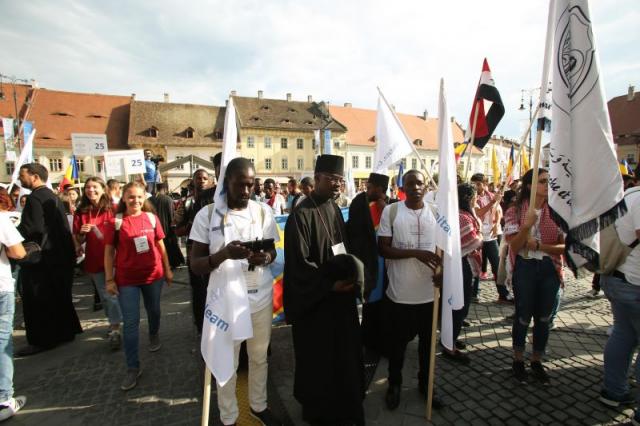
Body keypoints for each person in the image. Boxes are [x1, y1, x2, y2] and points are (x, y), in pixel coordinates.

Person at [189, 157, 282, 426]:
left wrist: (264, 258)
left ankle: (259, 406)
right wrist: (224, 254)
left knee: (259, 356)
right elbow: (195, 265)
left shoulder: (263, 211)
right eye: (240, 185)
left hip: (260, 297)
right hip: (226, 301)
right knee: (227, 362)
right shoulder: (208, 215)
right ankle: (228, 417)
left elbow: (273, 250)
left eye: (250, 185)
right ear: (225, 182)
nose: (245, 191)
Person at [284, 154, 365, 425]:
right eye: (332, 179)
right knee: (318, 361)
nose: (337, 184)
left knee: (343, 355)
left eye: (340, 180)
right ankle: (318, 410)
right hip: (316, 305)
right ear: (317, 178)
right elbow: (299, 265)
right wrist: (330, 285)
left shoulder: (332, 207)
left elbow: (341, 248)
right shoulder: (301, 213)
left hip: (340, 302)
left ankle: (345, 402)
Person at [377, 169, 443, 410]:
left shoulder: (436, 213)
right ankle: (394, 384)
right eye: (411, 183)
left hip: (428, 295)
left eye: (420, 183)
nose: (416, 187)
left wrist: (444, 272)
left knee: (428, 346)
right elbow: (383, 249)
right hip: (399, 295)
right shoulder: (392, 211)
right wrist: (416, 253)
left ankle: (426, 385)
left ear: (426, 187)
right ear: (403, 187)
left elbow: (445, 249)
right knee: (397, 346)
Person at [104, 182, 173, 391]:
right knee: (131, 323)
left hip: (153, 276)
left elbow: (161, 245)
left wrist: (168, 269)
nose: (135, 200)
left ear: (145, 198)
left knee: (154, 310)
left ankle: (154, 333)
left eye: (139, 197)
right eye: (131, 197)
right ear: (123, 198)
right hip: (127, 280)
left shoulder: (151, 218)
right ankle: (132, 367)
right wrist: (109, 279)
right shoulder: (116, 221)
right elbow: (108, 252)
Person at [504, 168, 564, 385]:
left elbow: (563, 246)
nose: (547, 185)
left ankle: (537, 360)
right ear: (530, 186)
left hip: (550, 268)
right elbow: (514, 245)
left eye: (549, 181)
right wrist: (526, 227)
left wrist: (540, 245)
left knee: (544, 318)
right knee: (522, 316)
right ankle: (518, 359)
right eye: (542, 181)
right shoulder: (514, 211)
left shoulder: (557, 211)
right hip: (526, 268)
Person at [16, 163, 82, 356]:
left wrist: (14, 229)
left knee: (38, 300)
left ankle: (42, 340)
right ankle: (65, 332)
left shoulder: (35, 198)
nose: (20, 179)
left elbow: (33, 228)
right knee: (59, 296)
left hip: (42, 259)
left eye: (22, 176)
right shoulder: (52, 196)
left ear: (34, 177)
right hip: (58, 256)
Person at [598, 181, 640, 422]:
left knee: (623, 335)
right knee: (624, 335)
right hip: (633, 282)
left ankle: (613, 391)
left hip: (616, 274)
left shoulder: (625, 195)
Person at [73, 177, 123, 350]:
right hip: (95, 259)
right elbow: (77, 238)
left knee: (115, 295)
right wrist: (80, 234)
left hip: (117, 258)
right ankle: (114, 325)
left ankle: (117, 325)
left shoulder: (114, 208)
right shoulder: (81, 211)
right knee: (106, 296)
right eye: (87, 187)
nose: (90, 190)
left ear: (103, 188)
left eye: (94, 187)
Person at [347, 172, 389, 356]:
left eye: (371, 186)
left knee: (382, 303)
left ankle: (380, 338)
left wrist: (385, 208)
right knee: (369, 301)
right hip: (366, 259)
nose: (367, 189)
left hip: (385, 261)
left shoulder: (392, 205)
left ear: (380, 189)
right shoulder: (359, 202)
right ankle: (367, 339)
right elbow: (354, 231)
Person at [175, 163, 219, 335]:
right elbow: (177, 230)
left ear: (210, 181)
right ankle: (201, 327)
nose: (201, 181)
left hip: (213, 252)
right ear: (192, 182)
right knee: (199, 292)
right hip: (195, 252)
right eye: (198, 178)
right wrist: (191, 226)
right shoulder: (185, 203)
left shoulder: (218, 199)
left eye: (204, 178)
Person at [442, 183, 481, 364]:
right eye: (474, 197)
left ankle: (450, 338)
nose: (476, 200)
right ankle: (449, 346)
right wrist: (481, 238)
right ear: (468, 198)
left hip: (457, 264)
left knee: (456, 305)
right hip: (460, 264)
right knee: (458, 305)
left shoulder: (458, 214)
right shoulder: (463, 217)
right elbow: (472, 242)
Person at [0, 193, 27, 422]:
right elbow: (18, 252)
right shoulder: (1, 220)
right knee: (2, 340)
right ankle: (4, 398)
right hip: (1, 286)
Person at [470, 173, 512, 303]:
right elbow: (479, 212)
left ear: (485, 184)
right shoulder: (472, 197)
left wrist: (496, 224)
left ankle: (503, 294)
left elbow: (498, 211)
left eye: (478, 184)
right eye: (473, 183)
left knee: (497, 265)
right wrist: (493, 202)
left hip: (491, 236)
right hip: (478, 236)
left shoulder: (492, 196)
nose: (475, 186)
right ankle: (473, 294)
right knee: (476, 264)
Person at [150, 182, 184, 268]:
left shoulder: (149, 199)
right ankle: (172, 263)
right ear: (165, 189)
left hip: (153, 228)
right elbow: (171, 214)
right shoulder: (168, 199)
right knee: (169, 247)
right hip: (167, 228)